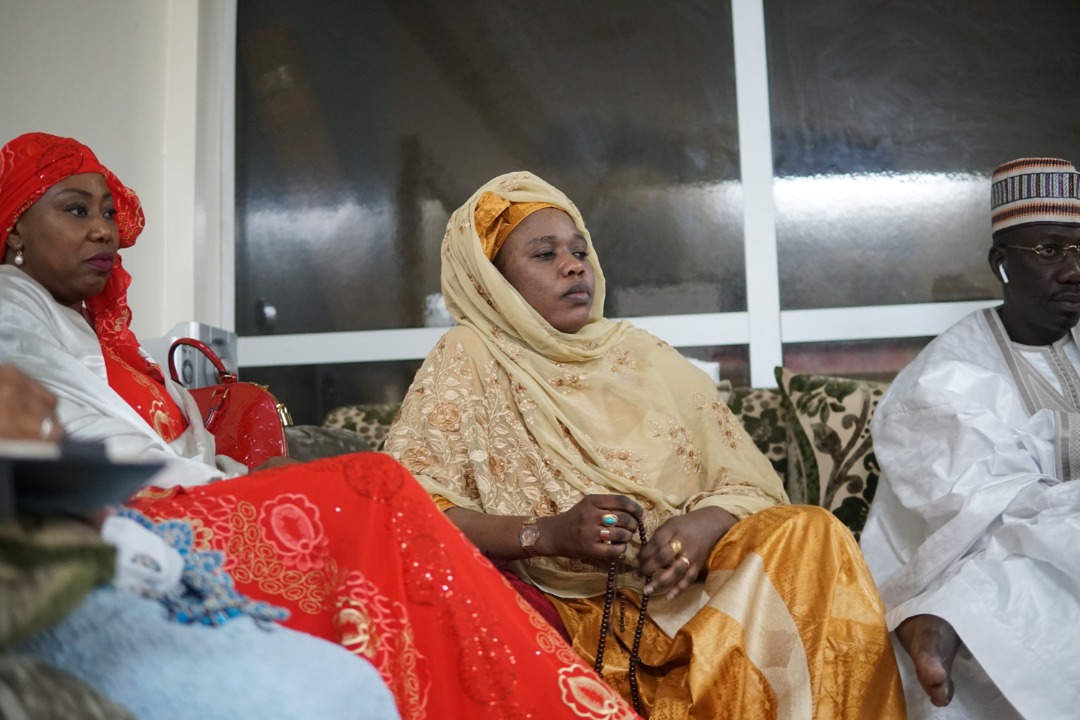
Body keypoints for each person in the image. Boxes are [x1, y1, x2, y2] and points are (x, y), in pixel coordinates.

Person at [0, 132, 637, 719]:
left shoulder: (103, 339)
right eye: (76, 210)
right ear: (13, 229)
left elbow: (179, 445)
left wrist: (253, 477)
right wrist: (239, 486)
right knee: (373, 484)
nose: (106, 232)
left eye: (109, 212)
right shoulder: (12, 313)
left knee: (359, 486)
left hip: (183, 498)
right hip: (136, 519)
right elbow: (88, 449)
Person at [384, 170, 907, 718]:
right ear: (492, 282)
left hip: (697, 599)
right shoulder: (470, 353)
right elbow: (409, 508)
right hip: (566, 619)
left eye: (579, 249)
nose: (573, 265)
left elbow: (746, 479)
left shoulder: (639, 352)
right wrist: (550, 533)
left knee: (812, 532)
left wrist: (707, 524)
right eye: (544, 255)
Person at [0, 364, 400, 720]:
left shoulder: (124, 353)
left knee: (372, 482)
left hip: (119, 521)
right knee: (367, 489)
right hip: (139, 513)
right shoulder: (19, 321)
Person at [860, 157, 1080, 719]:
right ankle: (937, 620)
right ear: (1000, 263)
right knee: (1020, 562)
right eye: (1050, 251)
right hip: (980, 550)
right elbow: (986, 507)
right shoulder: (949, 370)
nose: (1073, 269)